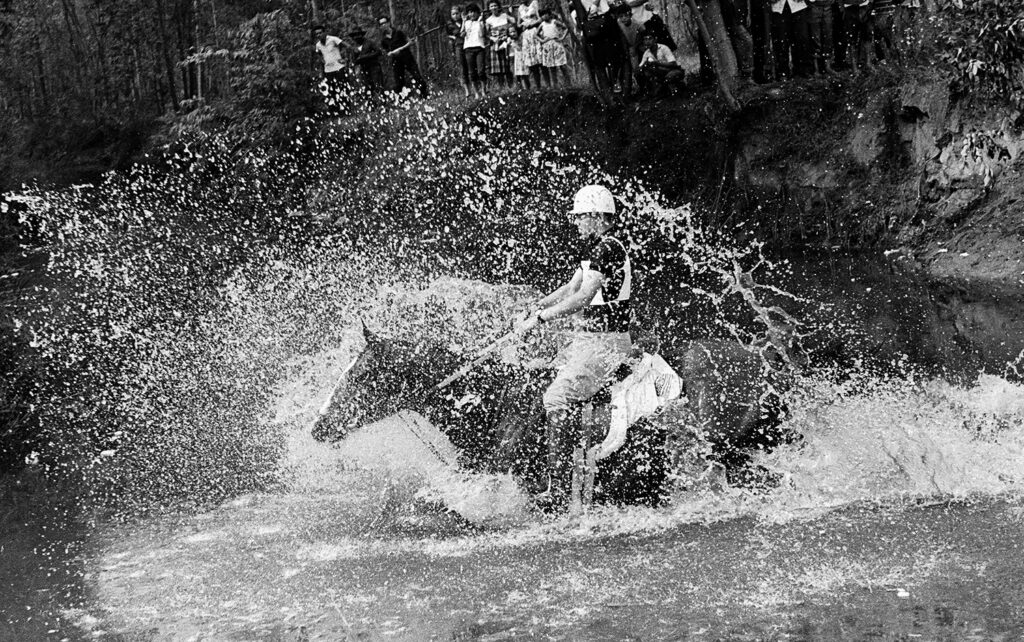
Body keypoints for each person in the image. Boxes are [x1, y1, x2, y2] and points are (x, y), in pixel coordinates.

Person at [514, 184, 634, 511]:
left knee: (555, 397)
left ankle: (558, 489)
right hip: (587, 340)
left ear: (596, 216)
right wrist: (535, 306)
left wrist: (540, 319)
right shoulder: (595, 248)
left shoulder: (608, 248)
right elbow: (571, 288)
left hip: (607, 343)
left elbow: (583, 298)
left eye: (580, 216)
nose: (576, 222)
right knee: (536, 374)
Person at [379, 16, 429, 98]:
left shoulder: (398, 32)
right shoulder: (383, 40)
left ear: (388, 23)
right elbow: (387, 53)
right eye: (381, 24)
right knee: (399, 83)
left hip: (407, 58)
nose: (384, 25)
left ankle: (425, 96)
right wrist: (392, 53)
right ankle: (401, 101)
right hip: (396, 61)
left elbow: (410, 42)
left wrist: (400, 49)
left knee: (417, 77)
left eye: (385, 23)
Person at [312, 24, 351, 110]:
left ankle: (347, 109)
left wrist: (346, 59)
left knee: (342, 88)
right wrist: (321, 71)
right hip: (328, 70)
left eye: (320, 33)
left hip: (339, 68)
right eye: (317, 34)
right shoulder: (318, 45)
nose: (319, 35)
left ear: (325, 33)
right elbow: (320, 57)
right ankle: (335, 110)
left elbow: (348, 46)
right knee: (331, 90)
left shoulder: (333, 39)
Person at [770, 0, 811, 79]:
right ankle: (783, 71)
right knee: (781, 40)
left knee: (801, 38)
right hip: (778, 7)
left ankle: (802, 69)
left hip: (798, 6)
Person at [639, 31, 685, 98]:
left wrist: (657, 63)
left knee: (670, 77)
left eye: (650, 38)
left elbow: (673, 63)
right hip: (661, 73)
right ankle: (660, 90)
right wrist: (644, 66)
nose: (647, 41)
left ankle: (678, 88)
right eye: (645, 39)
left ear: (655, 39)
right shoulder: (646, 53)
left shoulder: (663, 48)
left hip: (673, 70)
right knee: (646, 72)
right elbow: (640, 67)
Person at [538, 8, 571, 87]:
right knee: (552, 67)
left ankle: (568, 84)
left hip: (557, 45)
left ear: (549, 14)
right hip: (548, 47)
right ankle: (555, 86)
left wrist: (562, 38)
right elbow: (536, 35)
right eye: (542, 15)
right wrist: (542, 40)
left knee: (562, 65)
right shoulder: (542, 24)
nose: (544, 16)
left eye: (545, 14)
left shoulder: (554, 22)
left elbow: (566, 28)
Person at [462, 4, 490, 98]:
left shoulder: (481, 22)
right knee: (471, 72)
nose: (472, 14)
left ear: (478, 13)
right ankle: (476, 93)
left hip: (479, 48)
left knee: (481, 71)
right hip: (468, 48)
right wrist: (463, 22)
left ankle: (484, 91)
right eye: (470, 12)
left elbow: (482, 34)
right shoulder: (466, 23)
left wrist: (480, 22)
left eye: (474, 12)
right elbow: (462, 34)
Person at [516, 0, 545, 89]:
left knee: (542, 59)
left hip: (536, 31)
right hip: (526, 34)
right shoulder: (520, 8)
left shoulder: (535, 3)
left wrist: (533, 24)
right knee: (532, 61)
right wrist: (522, 24)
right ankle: (538, 86)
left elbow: (541, 18)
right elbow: (518, 24)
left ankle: (549, 84)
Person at [485, 1, 514, 89]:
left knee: (508, 65)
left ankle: (511, 86)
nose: (494, 8)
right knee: (498, 67)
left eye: (495, 5)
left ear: (498, 6)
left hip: (506, 42)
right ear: (489, 8)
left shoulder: (504, 16)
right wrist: (492, 38)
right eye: (491, 6)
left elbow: (513, 22)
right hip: (496, 43)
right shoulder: (488, 20)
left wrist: (509, 13)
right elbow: (486, 34)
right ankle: (502, 87)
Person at [446, 6, 472, 97]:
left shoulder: (467, 20)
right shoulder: (450, 24)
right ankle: (467, 91)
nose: (455, 16)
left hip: (469, 44)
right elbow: (459, 34)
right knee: (462, 67)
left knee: (471, 66)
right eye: (453, 14)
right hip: (459, 46)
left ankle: (475, 87)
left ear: (460, 13)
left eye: (457, 13)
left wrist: (464, 21)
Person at [807, 0, 836, 75]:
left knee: (828, 36)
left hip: (827, 6)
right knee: (815, 37)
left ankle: (827, 66)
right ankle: (816, 68)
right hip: (813, 6)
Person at [508, 24, 533, 91]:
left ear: (517, 31)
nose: (513, 33)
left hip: (523, 57)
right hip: (517, 59)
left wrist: (512, 43)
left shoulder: (520, 38)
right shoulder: (512, 40)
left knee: (525, 74)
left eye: (514, 31)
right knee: (520, 74)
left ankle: (527, 88)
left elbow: (519, 48)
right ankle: (524, 88)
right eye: (511, 32)